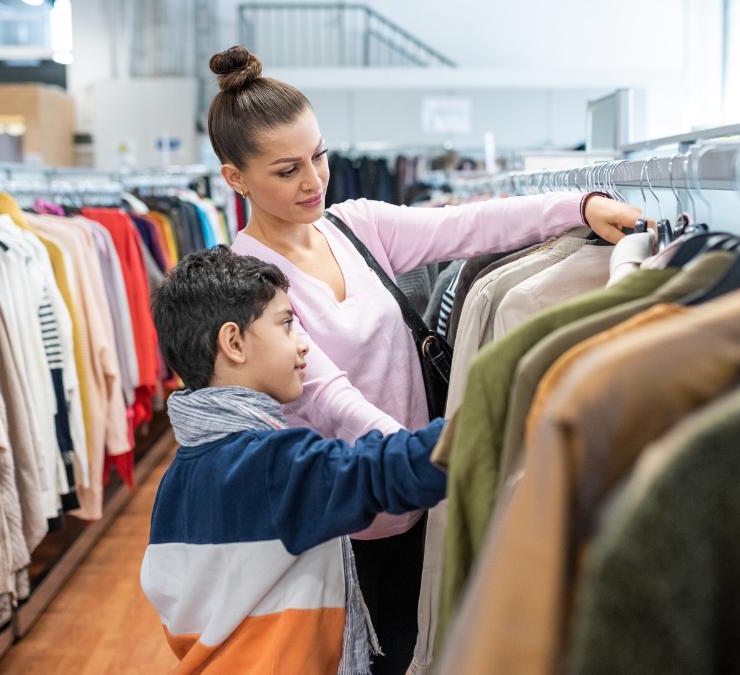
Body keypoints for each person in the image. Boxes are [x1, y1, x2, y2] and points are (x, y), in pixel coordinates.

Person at [206, 45, 649, 673]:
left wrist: (581, 207)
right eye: (287, 170)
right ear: (236, 177)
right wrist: (440, 456)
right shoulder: (245, 281)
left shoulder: (354, 227)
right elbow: (330, 398)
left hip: (418, 496)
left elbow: (472, 226)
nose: (313, 181)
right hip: (340, 526)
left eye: (320, 155)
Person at [141, 246, 448, 674]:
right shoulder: (267, 466)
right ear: (233, 342)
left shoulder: (182, 473)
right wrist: (497, 412)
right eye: (287, 325)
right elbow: (390, 469)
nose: (304, 345)